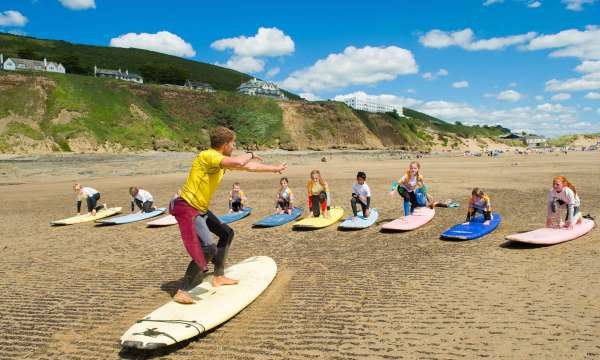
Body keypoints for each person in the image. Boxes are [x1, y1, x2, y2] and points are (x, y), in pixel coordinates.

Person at [170, 127, 287, 304]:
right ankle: (182, 290)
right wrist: (251, 153)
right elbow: (241, 162)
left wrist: (273, 168)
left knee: (227, 233)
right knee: (208, 248)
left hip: (200, 208)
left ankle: (218, 276)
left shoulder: (219, 161)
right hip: (188, 207)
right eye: (233, 143)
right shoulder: (208, 156)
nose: (234, 146)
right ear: (225, 145)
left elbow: (249, 167)